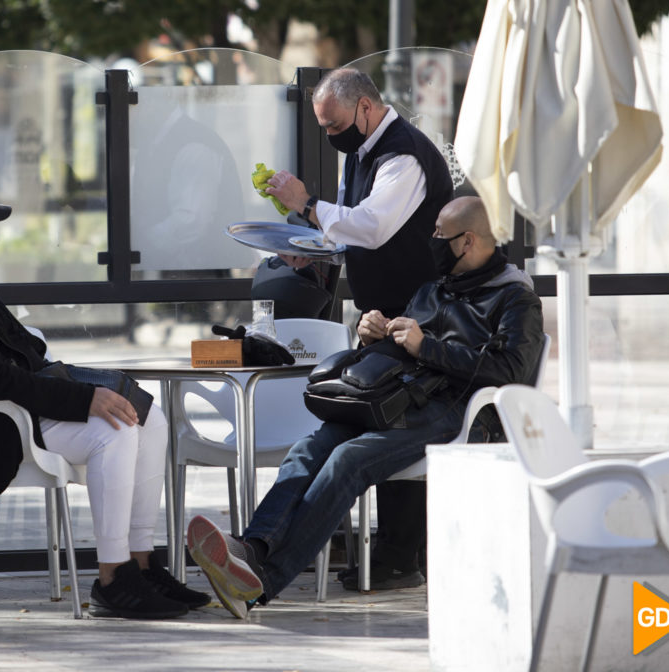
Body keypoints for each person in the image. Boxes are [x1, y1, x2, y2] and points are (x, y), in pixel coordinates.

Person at [187, 196, 545, 618]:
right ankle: (252, 548)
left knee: (347, 460)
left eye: (438, 235)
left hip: (457, 411)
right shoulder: (434, 288)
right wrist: (372, 336)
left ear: (467, 242)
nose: (430, 241)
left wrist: (425, 346)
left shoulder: (514, 299)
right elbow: (399, 352)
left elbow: (511, 371)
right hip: (396, 399)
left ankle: (263, 580)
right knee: (310, 448)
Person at [0, 184, 209, 620]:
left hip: (19, 407)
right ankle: (114, 578)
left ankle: (142, 563)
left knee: (151, 418)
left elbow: (21, 351)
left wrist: (82, 388)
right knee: (115, 429)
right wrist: (81, 398)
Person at [264, 67, 455, 590]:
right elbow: (354, 229)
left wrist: (305, 204)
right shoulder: (365, 152)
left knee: (386, 426)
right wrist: (315, 251)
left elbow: (372, 225)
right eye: (323, 126)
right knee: (370, 421)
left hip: (417, 324)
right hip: (382, 321)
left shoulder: (404, 154)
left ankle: (398, 555)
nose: (329, 135)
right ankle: (391, 555)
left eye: (334, 124)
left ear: (366, 108)